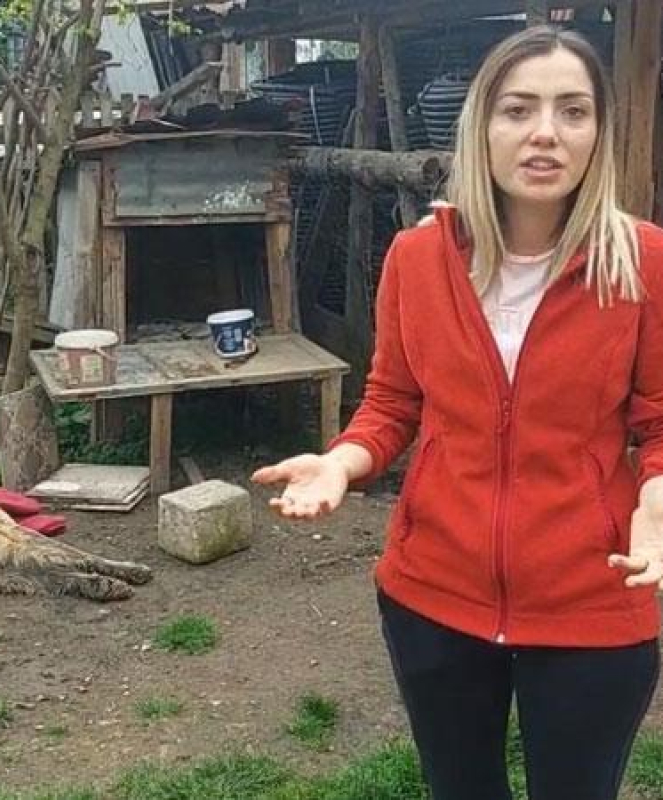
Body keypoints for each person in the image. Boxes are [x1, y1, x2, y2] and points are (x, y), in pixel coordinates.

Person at [252, 25, 663, 800]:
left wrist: (657, 496)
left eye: (573, 111)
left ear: (599, 132)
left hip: (593, 596)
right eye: (519, 109)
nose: (545, 132)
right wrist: (340, 462)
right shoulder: (416, 259)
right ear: (482, 125)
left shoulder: (641, 261)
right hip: (434, 594)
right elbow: (392, 402)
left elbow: (660, 419)